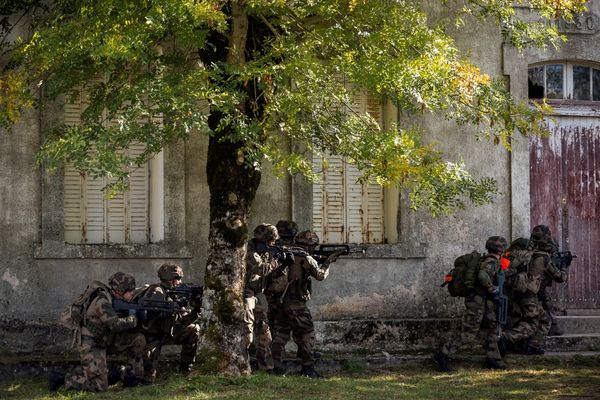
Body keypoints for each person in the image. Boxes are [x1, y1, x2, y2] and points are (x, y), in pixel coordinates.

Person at [49, 272, 148, 392]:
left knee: (138, 339)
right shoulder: (102, 302)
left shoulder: (119, 299)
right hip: (92, 344)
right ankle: (63, 378)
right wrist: (134, 318)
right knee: (99, 387)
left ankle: (132, 378)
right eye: (129, 290)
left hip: (107, 339)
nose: (132, 292)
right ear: (120, 291)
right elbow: (115, 325)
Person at [433, 236, 508, 372]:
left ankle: (492, 358)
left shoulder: (487, 260)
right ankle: (442, 354)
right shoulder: (492, 262)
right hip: (477, 301)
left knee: (491, 328)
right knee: (469, 332)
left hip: (484, 302)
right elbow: (482, 276)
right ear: (501, 250)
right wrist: (491, 288)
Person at [271, 230, 334, 378]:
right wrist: (328, 262)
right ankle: (308, 369)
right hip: (296, 302)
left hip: (279, 300)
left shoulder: (284, 252)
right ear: (310, 245)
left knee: (281, 333)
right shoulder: (304, 256)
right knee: (307, 333)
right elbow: (320, 275)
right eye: (313, 246)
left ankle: (274, 366)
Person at [244, 223, 294, 372]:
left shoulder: (265, 250)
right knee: (246, 331)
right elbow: (261, 269)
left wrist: (284, 263)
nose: (273, 244)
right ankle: (242, 365)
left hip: (258, 294)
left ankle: (266, 367)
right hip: (246, 293)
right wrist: (277, 260)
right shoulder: (250, 250)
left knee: (264, 331)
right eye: (270, 241)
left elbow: (273, 274)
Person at [140, 263, 202, 381]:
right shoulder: (156, 291)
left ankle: (185, 369)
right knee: (148, 377)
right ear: (169, 279)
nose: (180, 281)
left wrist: (195, 310)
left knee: (194, 329)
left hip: (169, 332)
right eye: (177, 278)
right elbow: (152, 312)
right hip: (153, 336)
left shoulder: (175, 293)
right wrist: (173, 307)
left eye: (180, 278)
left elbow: (183, 320)